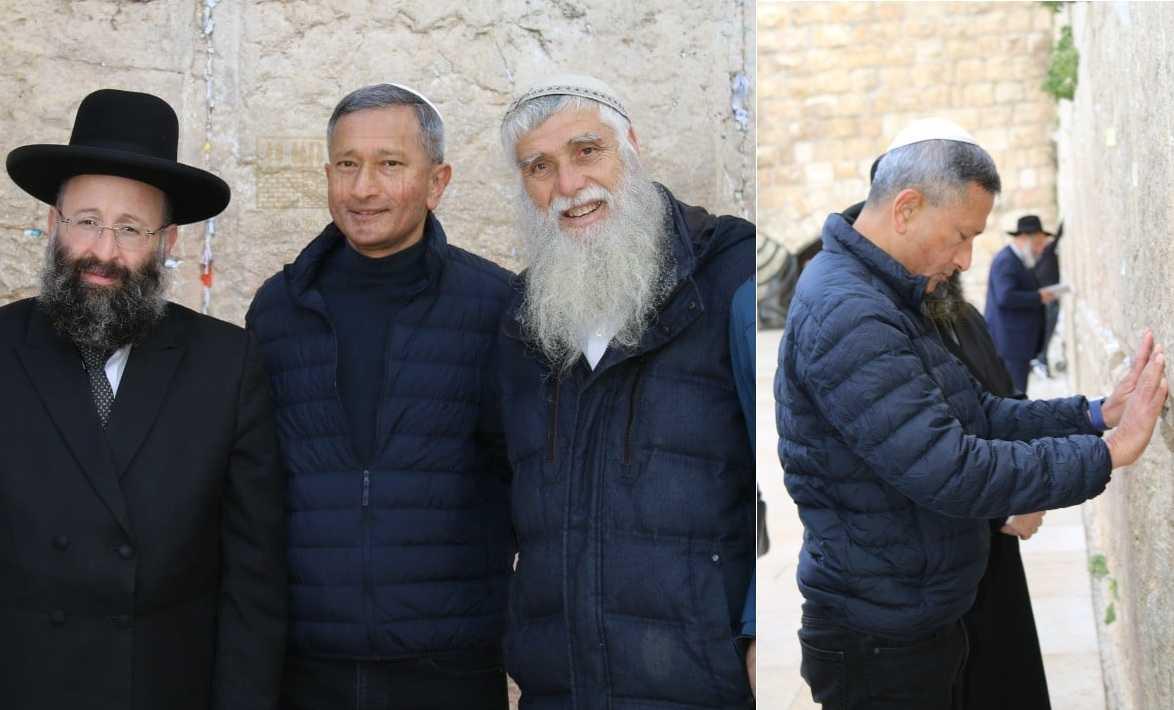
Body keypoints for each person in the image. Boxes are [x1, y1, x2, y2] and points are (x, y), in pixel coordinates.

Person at [776, 117, 1168, 709]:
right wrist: (1106, 454)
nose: (965, 259)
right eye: (961, 235)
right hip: (879, 640)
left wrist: (1094, 415)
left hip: (914, 618)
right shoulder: (849, 312)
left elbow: (977, 414)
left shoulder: (888, 294)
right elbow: (951, 468)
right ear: (906, 208)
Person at [0, 88, 286, 709]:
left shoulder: (228, 366)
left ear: (169, 242)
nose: (104, 252)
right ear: (53, 225)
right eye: (87, 222)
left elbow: (253, 592)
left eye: (131, 229)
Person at [245, 83, 514, 709]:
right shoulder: (279, 308)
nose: (363, 188)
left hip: (449, 665)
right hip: (305, 665)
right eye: (347, 165)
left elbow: (523, 473)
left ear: (437, 180)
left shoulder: (496, 306)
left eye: (390, 164)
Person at [493, 73, 756, 709]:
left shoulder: (730, 275)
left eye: (588, 152)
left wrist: (754, 633)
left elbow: (788, 469)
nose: (568, 186)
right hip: (561, 691)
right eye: (539, 167)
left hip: (704, 686)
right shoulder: (524, 318)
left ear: (630, 146)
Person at [985, 214, 1057, 393]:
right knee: (1016, 394)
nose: (1041, 249)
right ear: (1024, 238)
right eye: (1038, 243)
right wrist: (1038, 297)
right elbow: (1005, 297)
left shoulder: (1017, 259)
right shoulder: (1006, 261)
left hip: (1017, 343)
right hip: (1010, 345)